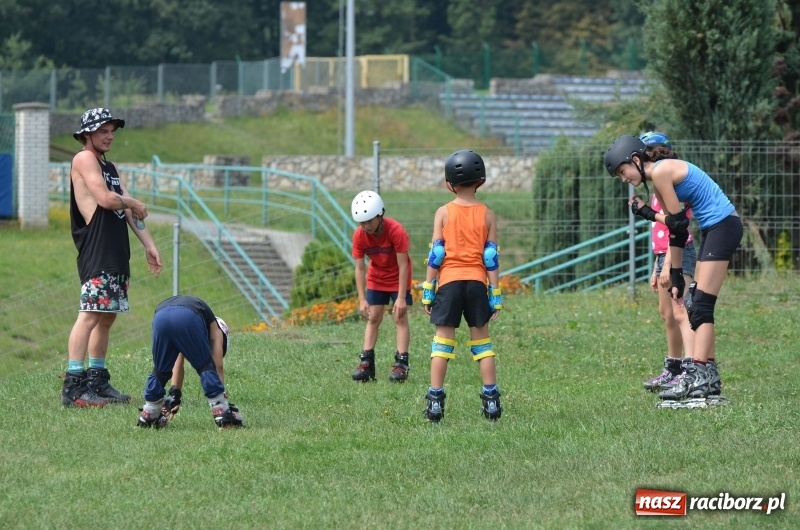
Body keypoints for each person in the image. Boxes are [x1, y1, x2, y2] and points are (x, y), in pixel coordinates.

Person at [605, 134, 743, 401]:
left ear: (636, 160)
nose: (623, 179)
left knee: (701, 306)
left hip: (723, 226)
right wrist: (677, 274)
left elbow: (678, 224)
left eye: (622, 171)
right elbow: (676, 231)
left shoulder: (660, 172)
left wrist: (647, 213)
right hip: (715, 228)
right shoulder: (657, 178)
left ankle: (698, 376)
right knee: (694, 304)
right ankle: (709, 379)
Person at [62, 108, 163, 408]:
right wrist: (133, 201)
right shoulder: (84, 159)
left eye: (112, 131)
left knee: (106, 318)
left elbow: (128, 211)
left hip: (116, 252)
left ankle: (97, 380)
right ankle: (73, 386)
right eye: (103, 131)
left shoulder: (110, 167)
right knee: (89, 315)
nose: (110, 137)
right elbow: (107, 200)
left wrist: (149, 244)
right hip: (97, 250)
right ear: (87, 134)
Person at [421, 149, 503, 422]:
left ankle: (435, 401)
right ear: (480, 181)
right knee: (483, 343)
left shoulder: (443, 213)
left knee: (442, 343)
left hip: (450, 283)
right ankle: (491, 401)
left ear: (449, 184)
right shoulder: (488, 215)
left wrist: (428, 289)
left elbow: (436, 254)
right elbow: (490, 258)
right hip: (477, 283)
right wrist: (495, 295)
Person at [635, 132, 696, 393]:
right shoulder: (656, 189)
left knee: (680, 310)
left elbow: (678, 230)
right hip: (663, 256)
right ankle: (673, 367)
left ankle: (691, 369)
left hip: (679, 253)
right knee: (667, 313)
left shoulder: (670, 184)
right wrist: (656, 268)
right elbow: (660, 233)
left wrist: (670, 264)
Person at [137, 295, 244, 429]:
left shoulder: (201, 320)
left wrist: (174, 394)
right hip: (188, 316)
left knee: (160, 371)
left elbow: (178, 360)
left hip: (160, 316)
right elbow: (217, 366)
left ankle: (150, 411)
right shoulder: (217, 329)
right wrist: (221, 397)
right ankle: (221, 410)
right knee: (206, 367)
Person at [350, 190, 413, 382]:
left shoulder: (396, 231)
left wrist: (401, 297)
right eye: (362, 222)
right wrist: (362, 299)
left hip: (398, 278)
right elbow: (359, 268)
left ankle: (401, 364)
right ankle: (366, 363)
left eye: (369, 220)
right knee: (373, 317)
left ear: (380, 215)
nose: (366, 226)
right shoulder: (359, 235)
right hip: (377, 278)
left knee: (399, 318)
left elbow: (403, 265)